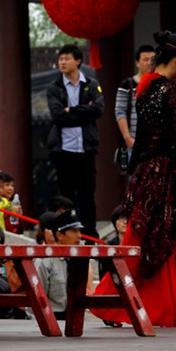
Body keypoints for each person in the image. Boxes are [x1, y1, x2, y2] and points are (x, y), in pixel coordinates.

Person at [91, 30, 176, 327]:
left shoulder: (144, 90)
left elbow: (142, 141)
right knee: (155, 244)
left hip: (148, 176)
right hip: (169, 178)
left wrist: (136, 178)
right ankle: (115, 302)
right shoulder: (171, 92)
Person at [45, 43, 103, 240]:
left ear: (78, 61)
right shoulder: (54, 87)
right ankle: (67, 234)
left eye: (66, 58)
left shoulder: (92, 84)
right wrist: (84, 110)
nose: (62, 62)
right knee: (66, 196)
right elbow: (57, 115)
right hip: (64, 149)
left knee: (87, 196)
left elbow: (99, 109)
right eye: (60, 59)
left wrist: (72, 109)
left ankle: (89, 236)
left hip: (85, 148)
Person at [35, 209, 84, 318]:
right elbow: (37, 297)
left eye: (79, 231)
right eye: (73, 231)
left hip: (75, 317)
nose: (79, 236)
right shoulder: (45, 261)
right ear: (59, 235)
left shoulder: (79, 260)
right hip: (52, 318)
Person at [114, 44, 155, 161]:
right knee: (136, 178)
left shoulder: (161, 84)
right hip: (135, 142)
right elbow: (119, 111)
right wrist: (127, 138)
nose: (149, 63)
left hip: (157, 145)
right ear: (137, 62)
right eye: (145, 60)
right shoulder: (127, 85)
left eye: (152, 60)